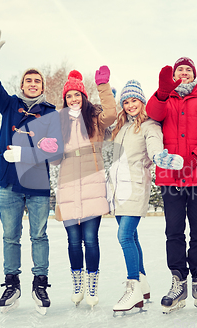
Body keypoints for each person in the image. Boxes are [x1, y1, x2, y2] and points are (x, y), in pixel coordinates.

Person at [0, 27, 63, 314]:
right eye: (28, 80)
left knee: (39, 235)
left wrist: (26, 152)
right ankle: (11, 282)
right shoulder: (9, 106)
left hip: (38, 183)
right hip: (9, 182)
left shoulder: (50, 113)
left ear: (42, 87)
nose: (32, 83)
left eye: (36, 80)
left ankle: (40, 282)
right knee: (10, 236)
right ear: (22, 84)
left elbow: (55, 151)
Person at [146, 57, 197, 313]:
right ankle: (177, 282)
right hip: (170, 177)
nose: (183, 72)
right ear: (174, 74)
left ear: (194, 75)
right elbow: (152, 114)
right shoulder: (164, 99)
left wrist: (194, 159)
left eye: (188, 70)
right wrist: (161, 92)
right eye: (179, 69)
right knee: (174, 231)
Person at [107, 80, 183, 314]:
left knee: (124, 236)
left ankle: (133, 287)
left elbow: (153, 145)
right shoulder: (121, 126)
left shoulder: (150, 125)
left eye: (134, 101)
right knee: (132, 236)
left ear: (142, 102)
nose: (130, 106)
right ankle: (143, 284)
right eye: (126, 102)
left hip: (136, 185)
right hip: (117, 189)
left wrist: (160, 158)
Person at [56, 66, 116, 309]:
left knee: (90, 239)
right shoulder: (59, 123)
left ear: (83, 97)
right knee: (72, 241)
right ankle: (77, 283)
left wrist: (103, 87)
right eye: (69, 96)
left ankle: (92, 286)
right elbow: (52, 159)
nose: (73, 99)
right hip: (68, 188)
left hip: (92, 186)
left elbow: (112, 114)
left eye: (77, 95)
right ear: (65, 99)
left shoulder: (95, 118)